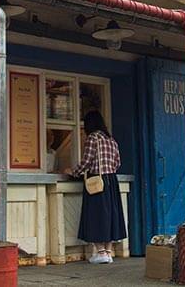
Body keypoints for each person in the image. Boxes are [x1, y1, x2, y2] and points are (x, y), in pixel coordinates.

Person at [64, 111, 127, 264]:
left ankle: (100, 252)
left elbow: (86, 162)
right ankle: (108, 252)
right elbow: (118, 162)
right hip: (112, 181)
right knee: (111, 215)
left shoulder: (93, 138)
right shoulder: (111, 140)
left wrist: (73, 171)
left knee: (97, 215)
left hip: (97, 181)